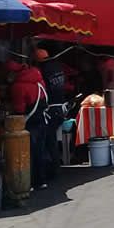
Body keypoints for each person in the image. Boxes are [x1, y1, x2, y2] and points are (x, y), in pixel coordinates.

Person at [8, 60, 49, 190]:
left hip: (29, 123)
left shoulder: (18, 86)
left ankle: (28, 182)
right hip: (42, 119)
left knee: (26, 153)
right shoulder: (39, 80)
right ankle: (41, 180)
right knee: (40, 151)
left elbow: (19, 109)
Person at [34, 48, 66, 181]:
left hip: (51, 108)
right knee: (51, 138)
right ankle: (55, 166)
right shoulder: (57, 67)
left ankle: (51, 169)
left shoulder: (41, 71)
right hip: (61, 106)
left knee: (48, 139)